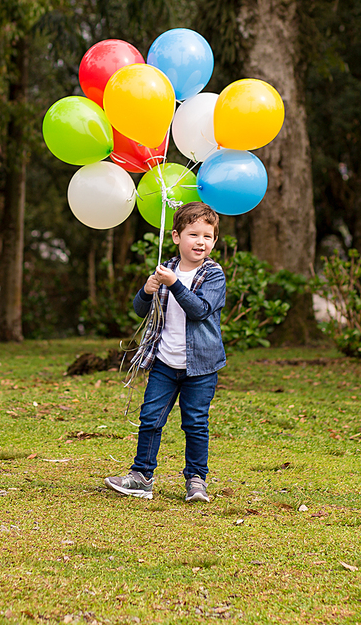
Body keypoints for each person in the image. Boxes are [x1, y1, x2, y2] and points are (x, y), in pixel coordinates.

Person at [104, 201, 227, 503]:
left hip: (200, 366)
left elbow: (199, 311)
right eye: (193, 234)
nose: (200, 242)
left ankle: (196, 479)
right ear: (175, 236)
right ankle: (142, 476)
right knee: (150, 418)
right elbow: (140, 310)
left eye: (208, 237)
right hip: (164, 361)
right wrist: (146, 291)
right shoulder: (166, 269)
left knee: (195, 422)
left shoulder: (213, 274)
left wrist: (175, 286)